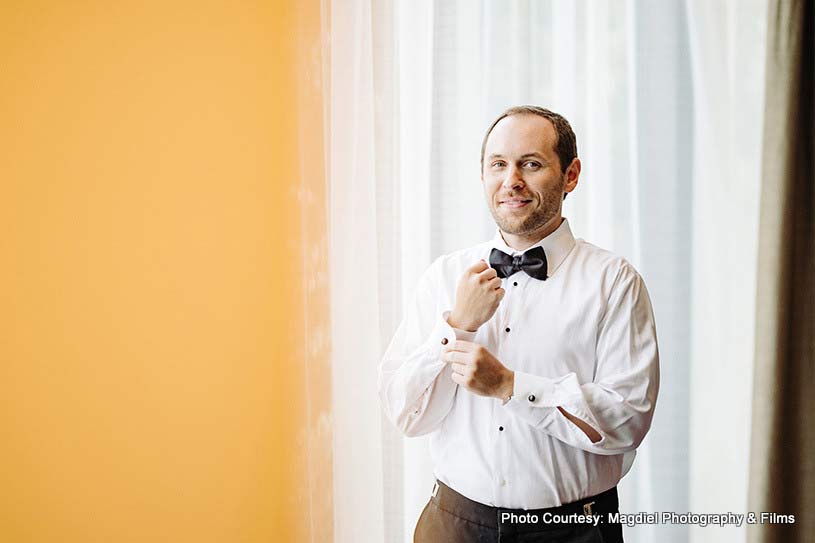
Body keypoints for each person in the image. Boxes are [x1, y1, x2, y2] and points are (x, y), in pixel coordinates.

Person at [378, 105, 660, 543]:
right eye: (498, 164)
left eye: (531, 164)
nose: (512, 180)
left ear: (570, 175)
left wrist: (509, 386)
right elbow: (406, 415)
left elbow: (627, 421)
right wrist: (456, 326)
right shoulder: (443, 277)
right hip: (451, 526)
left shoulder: (614, 282)